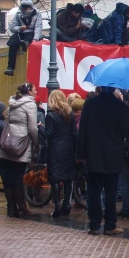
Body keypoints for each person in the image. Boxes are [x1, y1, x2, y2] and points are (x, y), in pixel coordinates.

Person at [77, 86, 129, 235]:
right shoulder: (118, 105)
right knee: (111, 191)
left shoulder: (90, 103)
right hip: (113, 154)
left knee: (94, 191)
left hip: (93, 153)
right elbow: (128, 129)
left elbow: (82, 129)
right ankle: (110, 224)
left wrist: (80, 153)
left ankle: (94, 224)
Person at [0, 83, 38, 218]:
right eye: (34, 89)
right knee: (18, 177)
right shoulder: (30, 105)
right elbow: (32, 128)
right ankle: (22, 208)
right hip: (21, 145)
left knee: (9, 178)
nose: (36, 91)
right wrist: (37, 142)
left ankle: (11, 208)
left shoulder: (12, 103)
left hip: (9, 143)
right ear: (29, 91)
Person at [46, 90, 78, 219]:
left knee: (55, 178)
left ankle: (57, 206)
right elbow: (74, 133)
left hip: (55, 150)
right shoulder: (69, 114)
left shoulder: (51, 116)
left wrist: (41, 128)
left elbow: (49, 134)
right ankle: (66, 203)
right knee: (68, 178)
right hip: (68, 149)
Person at [5, 0, 43, 76]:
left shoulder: (37, 13)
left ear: (30, 7)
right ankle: (10, 68)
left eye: (25, 9)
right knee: (13, 45)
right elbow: (12, 27)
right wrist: (19, 28)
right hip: (20, 32)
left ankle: (25, 44)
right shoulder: (18, 13)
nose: (24, 11)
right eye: (23, 9)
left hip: (31, 32)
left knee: (29, 36)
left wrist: (36, 39)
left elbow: (38, 27)